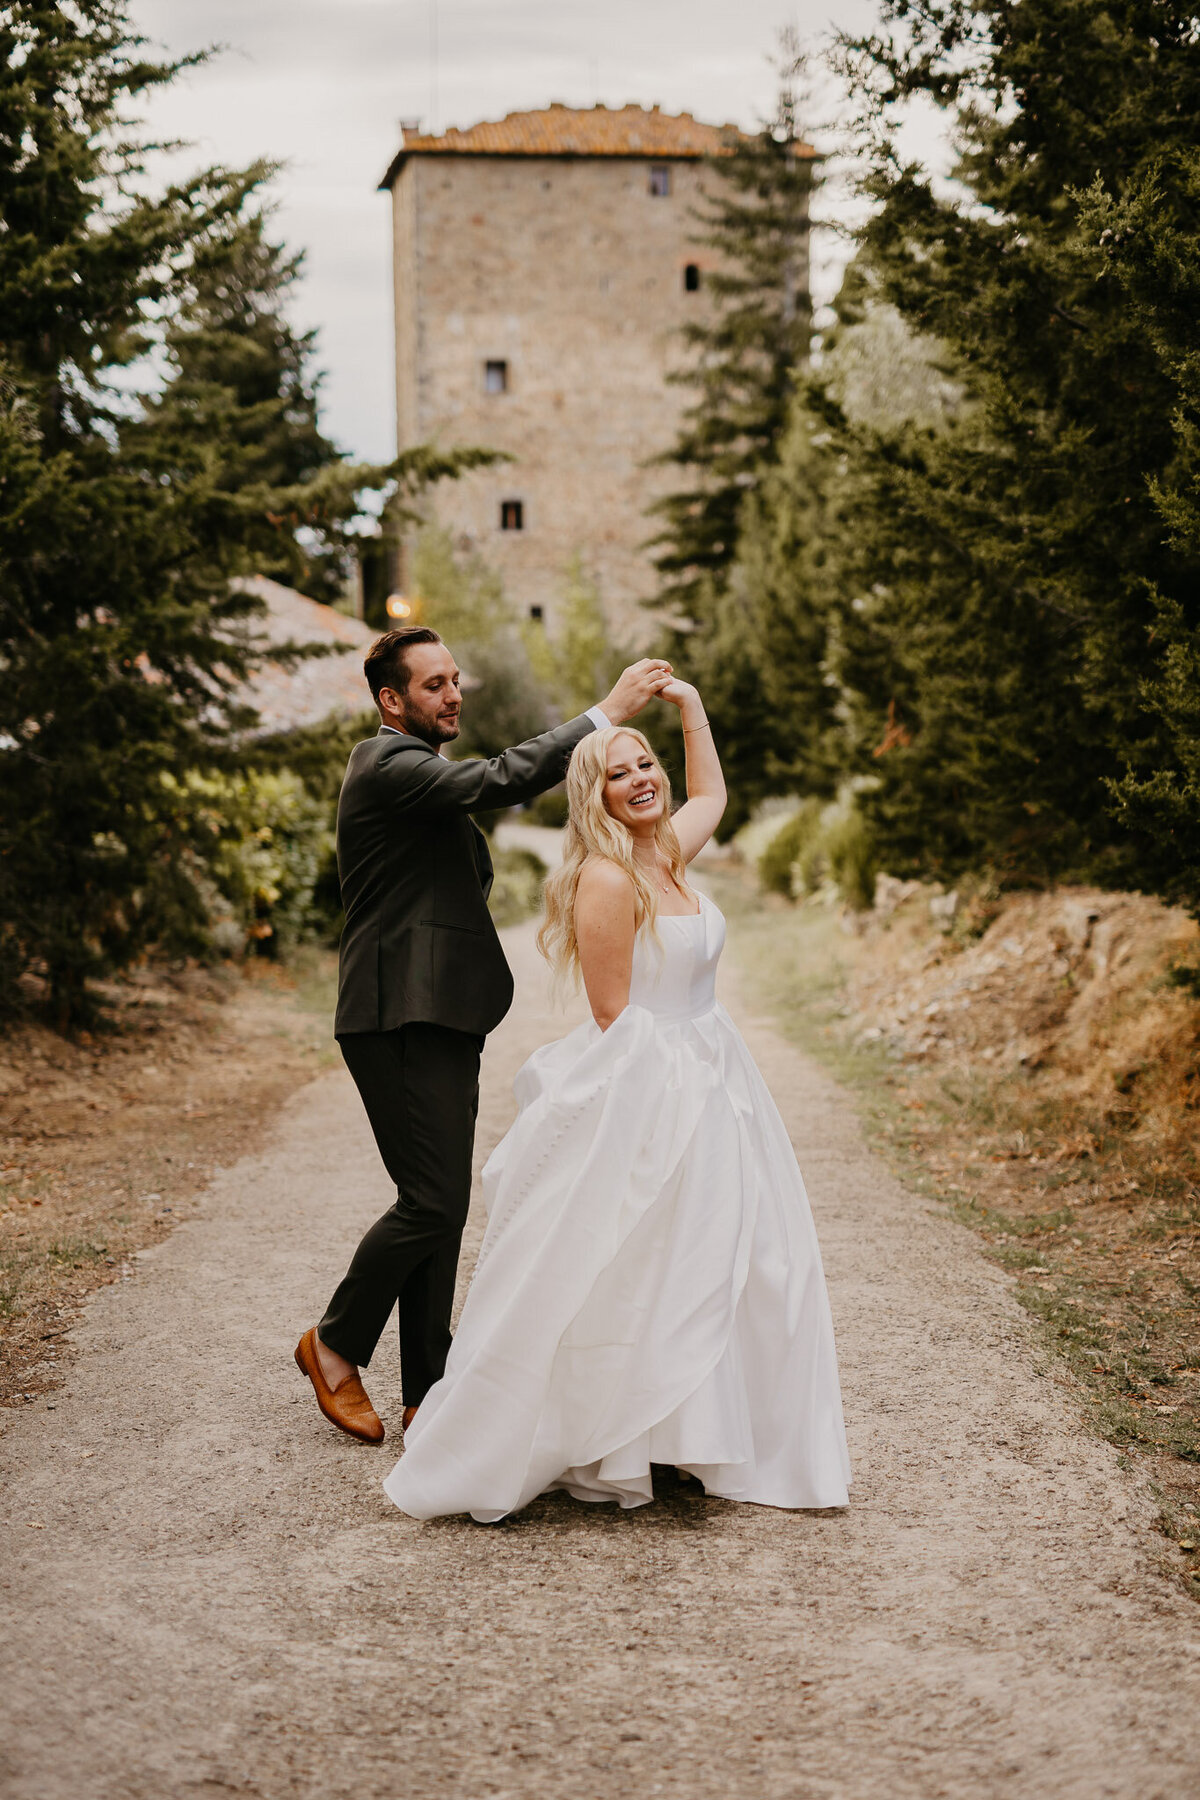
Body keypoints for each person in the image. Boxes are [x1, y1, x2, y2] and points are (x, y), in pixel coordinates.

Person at [383, 677, 851, 1521]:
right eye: (617, 773)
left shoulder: (668, 849)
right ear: (592, 795)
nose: (641, 779)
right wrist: (670, 1113)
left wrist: (690, 708)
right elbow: (611, 1015)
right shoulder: (606, 879)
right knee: (646, 1262)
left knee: (737, 1260)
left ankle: (696, 1432)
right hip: (660, 1079)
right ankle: (611, 1431)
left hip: (722, 1072)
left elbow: (714, 790)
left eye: (645, 766)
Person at [295, 626, 674, 1443]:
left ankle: (429, 1391)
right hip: (397, 1014)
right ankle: (332, 1343)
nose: (453, 694)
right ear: (392, 701)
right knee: (432, 1201)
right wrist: (602, 717)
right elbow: (499, 780)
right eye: (433, 685)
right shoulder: (386, 762)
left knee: (440, 1202)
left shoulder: (416, 778)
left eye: (455, 679)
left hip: (439, 1017)